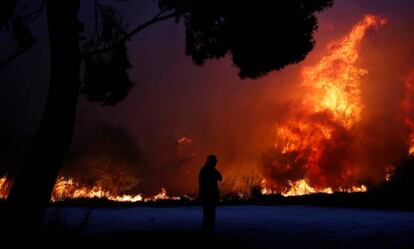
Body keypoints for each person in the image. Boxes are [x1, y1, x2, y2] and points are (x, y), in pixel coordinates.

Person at [199, 154, 222, 233]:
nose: (216, 163)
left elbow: (220, 177)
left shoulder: (205, 170)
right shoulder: (208, 170)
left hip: (208, 197)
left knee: (209, 216)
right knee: (209, 216)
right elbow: (219, 177)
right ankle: (206, 232)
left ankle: (206, 231)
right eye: (215, 161)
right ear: (211, 162)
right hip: (208, 197)